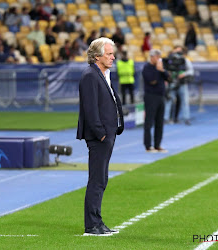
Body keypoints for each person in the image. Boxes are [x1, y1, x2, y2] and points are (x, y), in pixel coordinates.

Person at [76, 37, 124, 236]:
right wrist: (101, 134)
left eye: (113, 53)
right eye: (109, 54)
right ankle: (92, 225)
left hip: (108, 133)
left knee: (101, 179)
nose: (113, 57)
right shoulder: (90, 75)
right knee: (97, 180)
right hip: (100, 137)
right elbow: (90, 109)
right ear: (97, 56)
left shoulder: (103, 74)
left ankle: (97, 222)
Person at [142, 49, 169, 153]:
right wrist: (158, 70)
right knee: (149, 122)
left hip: (161, 96)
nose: (158, 59)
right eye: (157, 57)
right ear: (152, 57)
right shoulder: (147, 68)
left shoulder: (161, 68)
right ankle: (148, 146)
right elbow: (152, 81)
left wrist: (162, 70)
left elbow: (168, 78)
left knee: (160, 122)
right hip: (151, 96)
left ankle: (158, 145)